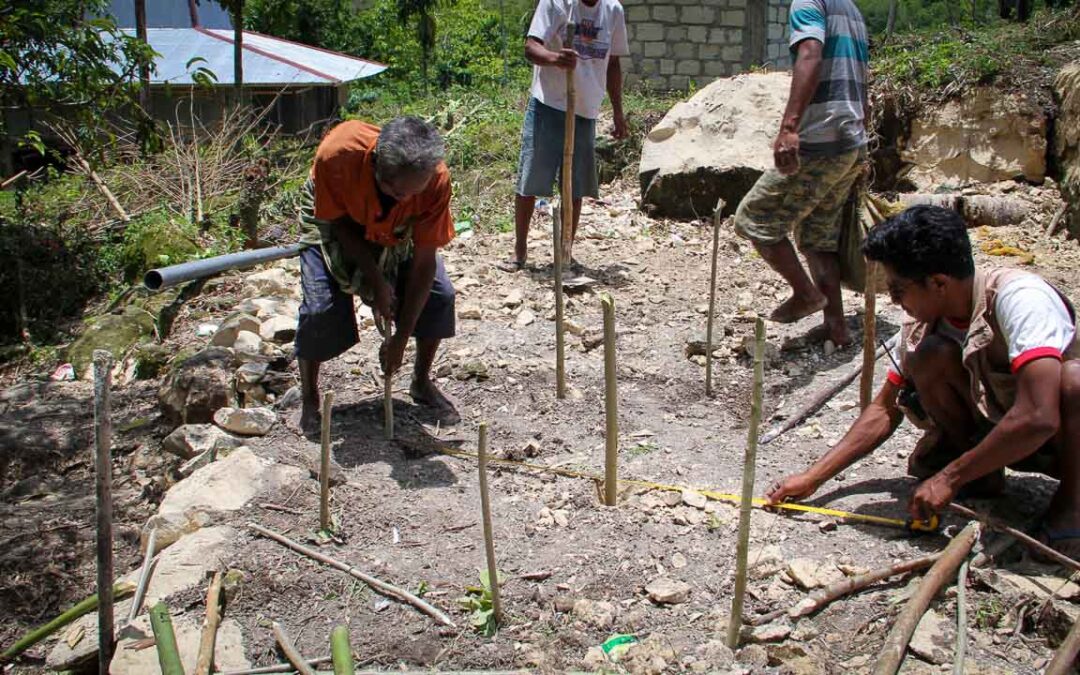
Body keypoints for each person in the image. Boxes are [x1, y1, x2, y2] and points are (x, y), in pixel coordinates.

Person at [766, 205, 1080, 557]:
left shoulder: (1021, 299)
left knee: (1073, 382)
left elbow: (1039, 416)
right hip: (1007, 432)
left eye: (899, 290)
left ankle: (1073, 507)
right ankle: (982, 477)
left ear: (939, 283)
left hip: (1058, 442)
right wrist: (813, 478)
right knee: (930, 356)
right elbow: (884, 410)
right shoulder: (924, 322)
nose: (894, 301)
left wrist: (948, 478)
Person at [292, 117, 458, 433]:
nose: (408, 199)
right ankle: (310, 398)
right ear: (377, 167)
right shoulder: (338, 154)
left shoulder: (434, 180)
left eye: (415, 192)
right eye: (398, 193)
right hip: (336, 218)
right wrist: (376, 281)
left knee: (439, 297)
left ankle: (421, 382)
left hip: (395, 230)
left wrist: (401, 337)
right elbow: (337, 223)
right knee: (320, 310)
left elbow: (425, 260)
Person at [733, 0, 869, 347]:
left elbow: (811, 52)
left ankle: (806, 294)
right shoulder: (850, 9)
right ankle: (836, 327)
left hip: (821, 140)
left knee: (754, 218)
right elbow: (862, 74)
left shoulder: (808, 1)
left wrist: (790, 127)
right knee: (818, 234)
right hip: (850, 137)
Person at [499, 0, 629, 272]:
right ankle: (520, 252)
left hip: (586, 108)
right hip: (548, 103)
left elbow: (613, 63)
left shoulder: (613, 11)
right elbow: (531, 46)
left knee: (575, 185)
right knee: (530, 179)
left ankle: (565, 252)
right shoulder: (557, 3)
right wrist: (555, 59)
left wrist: (618, 110)